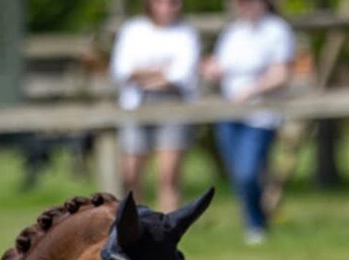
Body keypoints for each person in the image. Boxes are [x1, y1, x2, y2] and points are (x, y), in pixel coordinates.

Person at [201, 0, 294, 245]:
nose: (243, 6)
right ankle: (257, 215)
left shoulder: (276, 30)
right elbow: (221, 66)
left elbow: (281, 73)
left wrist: (252, 90)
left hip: (261, 115)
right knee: (239, 174)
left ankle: (256, 225)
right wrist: (211, 69)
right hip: (230, 113)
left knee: (248, 171)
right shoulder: (233, 33)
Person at [109, 0, 200, 212]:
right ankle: (134, 227)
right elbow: (121, 69)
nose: (169, 7)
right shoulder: (133, 30)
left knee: (168, 175)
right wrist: (160, 73)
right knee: (130, 174)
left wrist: (143, 73)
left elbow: (183, 73)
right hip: (137, 103)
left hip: (173, 103)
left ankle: (167, 230)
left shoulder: (186, 33)